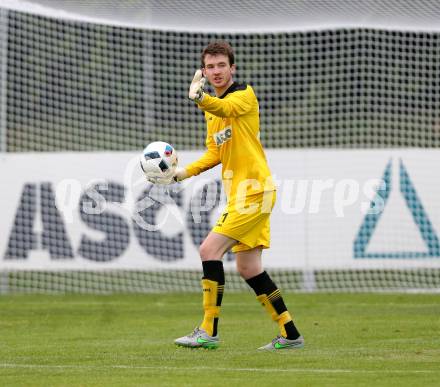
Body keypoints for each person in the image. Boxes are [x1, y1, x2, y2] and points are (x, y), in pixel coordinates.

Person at [173, 41, 304, 351]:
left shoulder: (243, 94)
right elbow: (215, 152)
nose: (217, 71)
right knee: (248, 268)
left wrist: (201, 98)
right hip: (242, 195)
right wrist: (182, 173)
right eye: (210, 67)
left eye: (222, 65)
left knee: (209, 250)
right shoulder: (210, 111)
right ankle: (291, 334)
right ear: (203, 71)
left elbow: (225, 107)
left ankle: (208, 330)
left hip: (255, 191)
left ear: (232, 68)